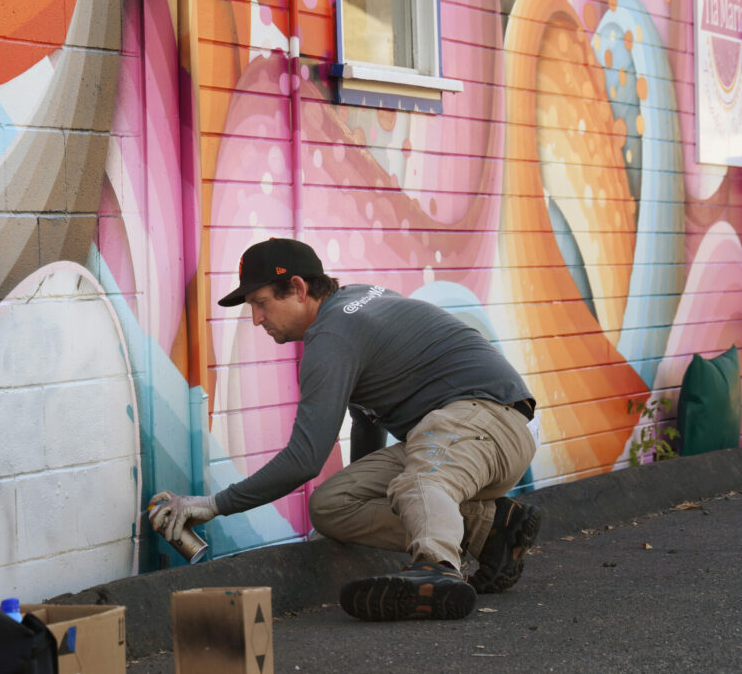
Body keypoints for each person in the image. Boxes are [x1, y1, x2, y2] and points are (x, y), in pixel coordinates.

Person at [148, 237, 540, 621]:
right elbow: (367, 418)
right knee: (332, 506)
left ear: (298, 288)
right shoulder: (352, 307)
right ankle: (490, 529)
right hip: (463, 430)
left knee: (418, 481)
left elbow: (304, 460)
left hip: (485, 418)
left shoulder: (332, 335)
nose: (256, 319)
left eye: (261, 303)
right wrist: (360, 487)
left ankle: (436, 569)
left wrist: (215, 504)